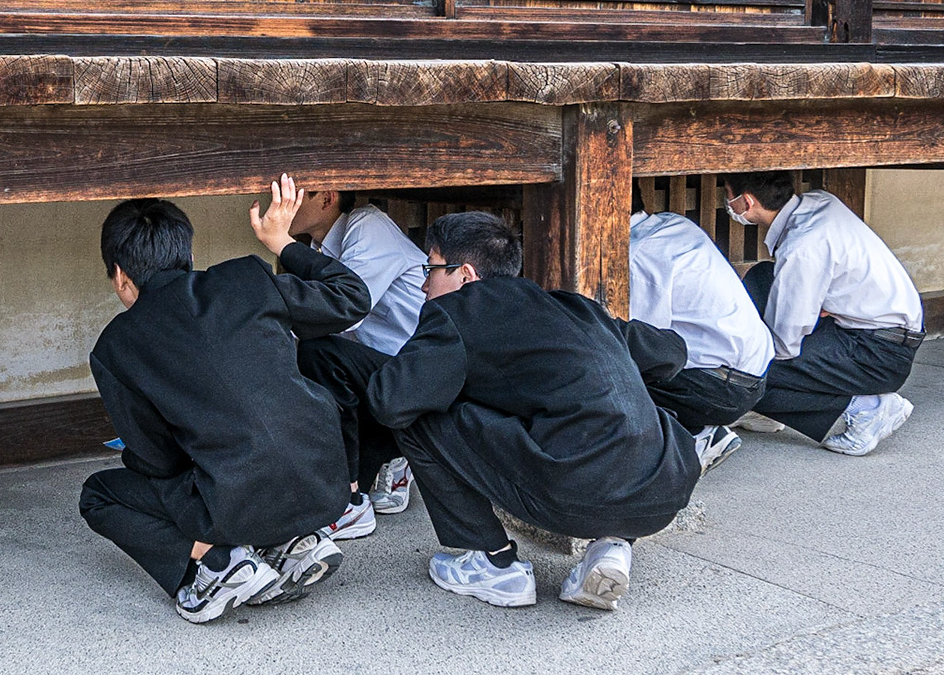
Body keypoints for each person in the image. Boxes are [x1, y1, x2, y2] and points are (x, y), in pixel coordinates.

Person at [308, 212, 698, 612]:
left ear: (464, 274)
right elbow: (671, 352)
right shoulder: (577, 307)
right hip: (664, 490)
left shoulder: (456, 312)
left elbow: (391, 403)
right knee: (605, 428)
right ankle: (611, 545)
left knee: (421, 414)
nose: (424, 284)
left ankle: (492, 562)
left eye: (431, 269)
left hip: (574, 492)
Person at [79, 176, 372, 624]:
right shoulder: (246, 277)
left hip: (237, 503)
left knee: (100, 495)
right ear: (189, 257)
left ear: (120, 274)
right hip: (326, 482)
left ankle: (220, 562)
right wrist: (281, 242)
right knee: (248, 456)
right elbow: (352, 298)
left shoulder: (115, 347)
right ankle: (286, 542)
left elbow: (158, 460)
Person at [721, 173, 924, 456]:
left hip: (876, 354)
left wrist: (744, 365)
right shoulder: (819, 202)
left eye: (728, 195)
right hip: (873, 331)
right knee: (762, 278)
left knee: (744, 371)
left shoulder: (803, 246)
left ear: (747, 201)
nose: (727, 202)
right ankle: (764, 411)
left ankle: (867, 409)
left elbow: (784, 344)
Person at [288, 191, 428, 537]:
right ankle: (392, 455)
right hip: (384, 373)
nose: (280, 200)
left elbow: (342, 313)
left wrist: (278, 241)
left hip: (422, 374)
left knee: (318, 353)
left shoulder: (367, 225)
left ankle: (349, 503)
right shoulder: (322, 250)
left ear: (327, 197)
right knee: (306, 365)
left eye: (295, 192)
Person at [629, 199, 776, 474]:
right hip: (759, 374)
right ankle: (709, 424)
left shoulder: (638, 252)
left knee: (617, 372)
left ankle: (697, 438)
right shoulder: (673, 223)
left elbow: (647, 345)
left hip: (719, 388)